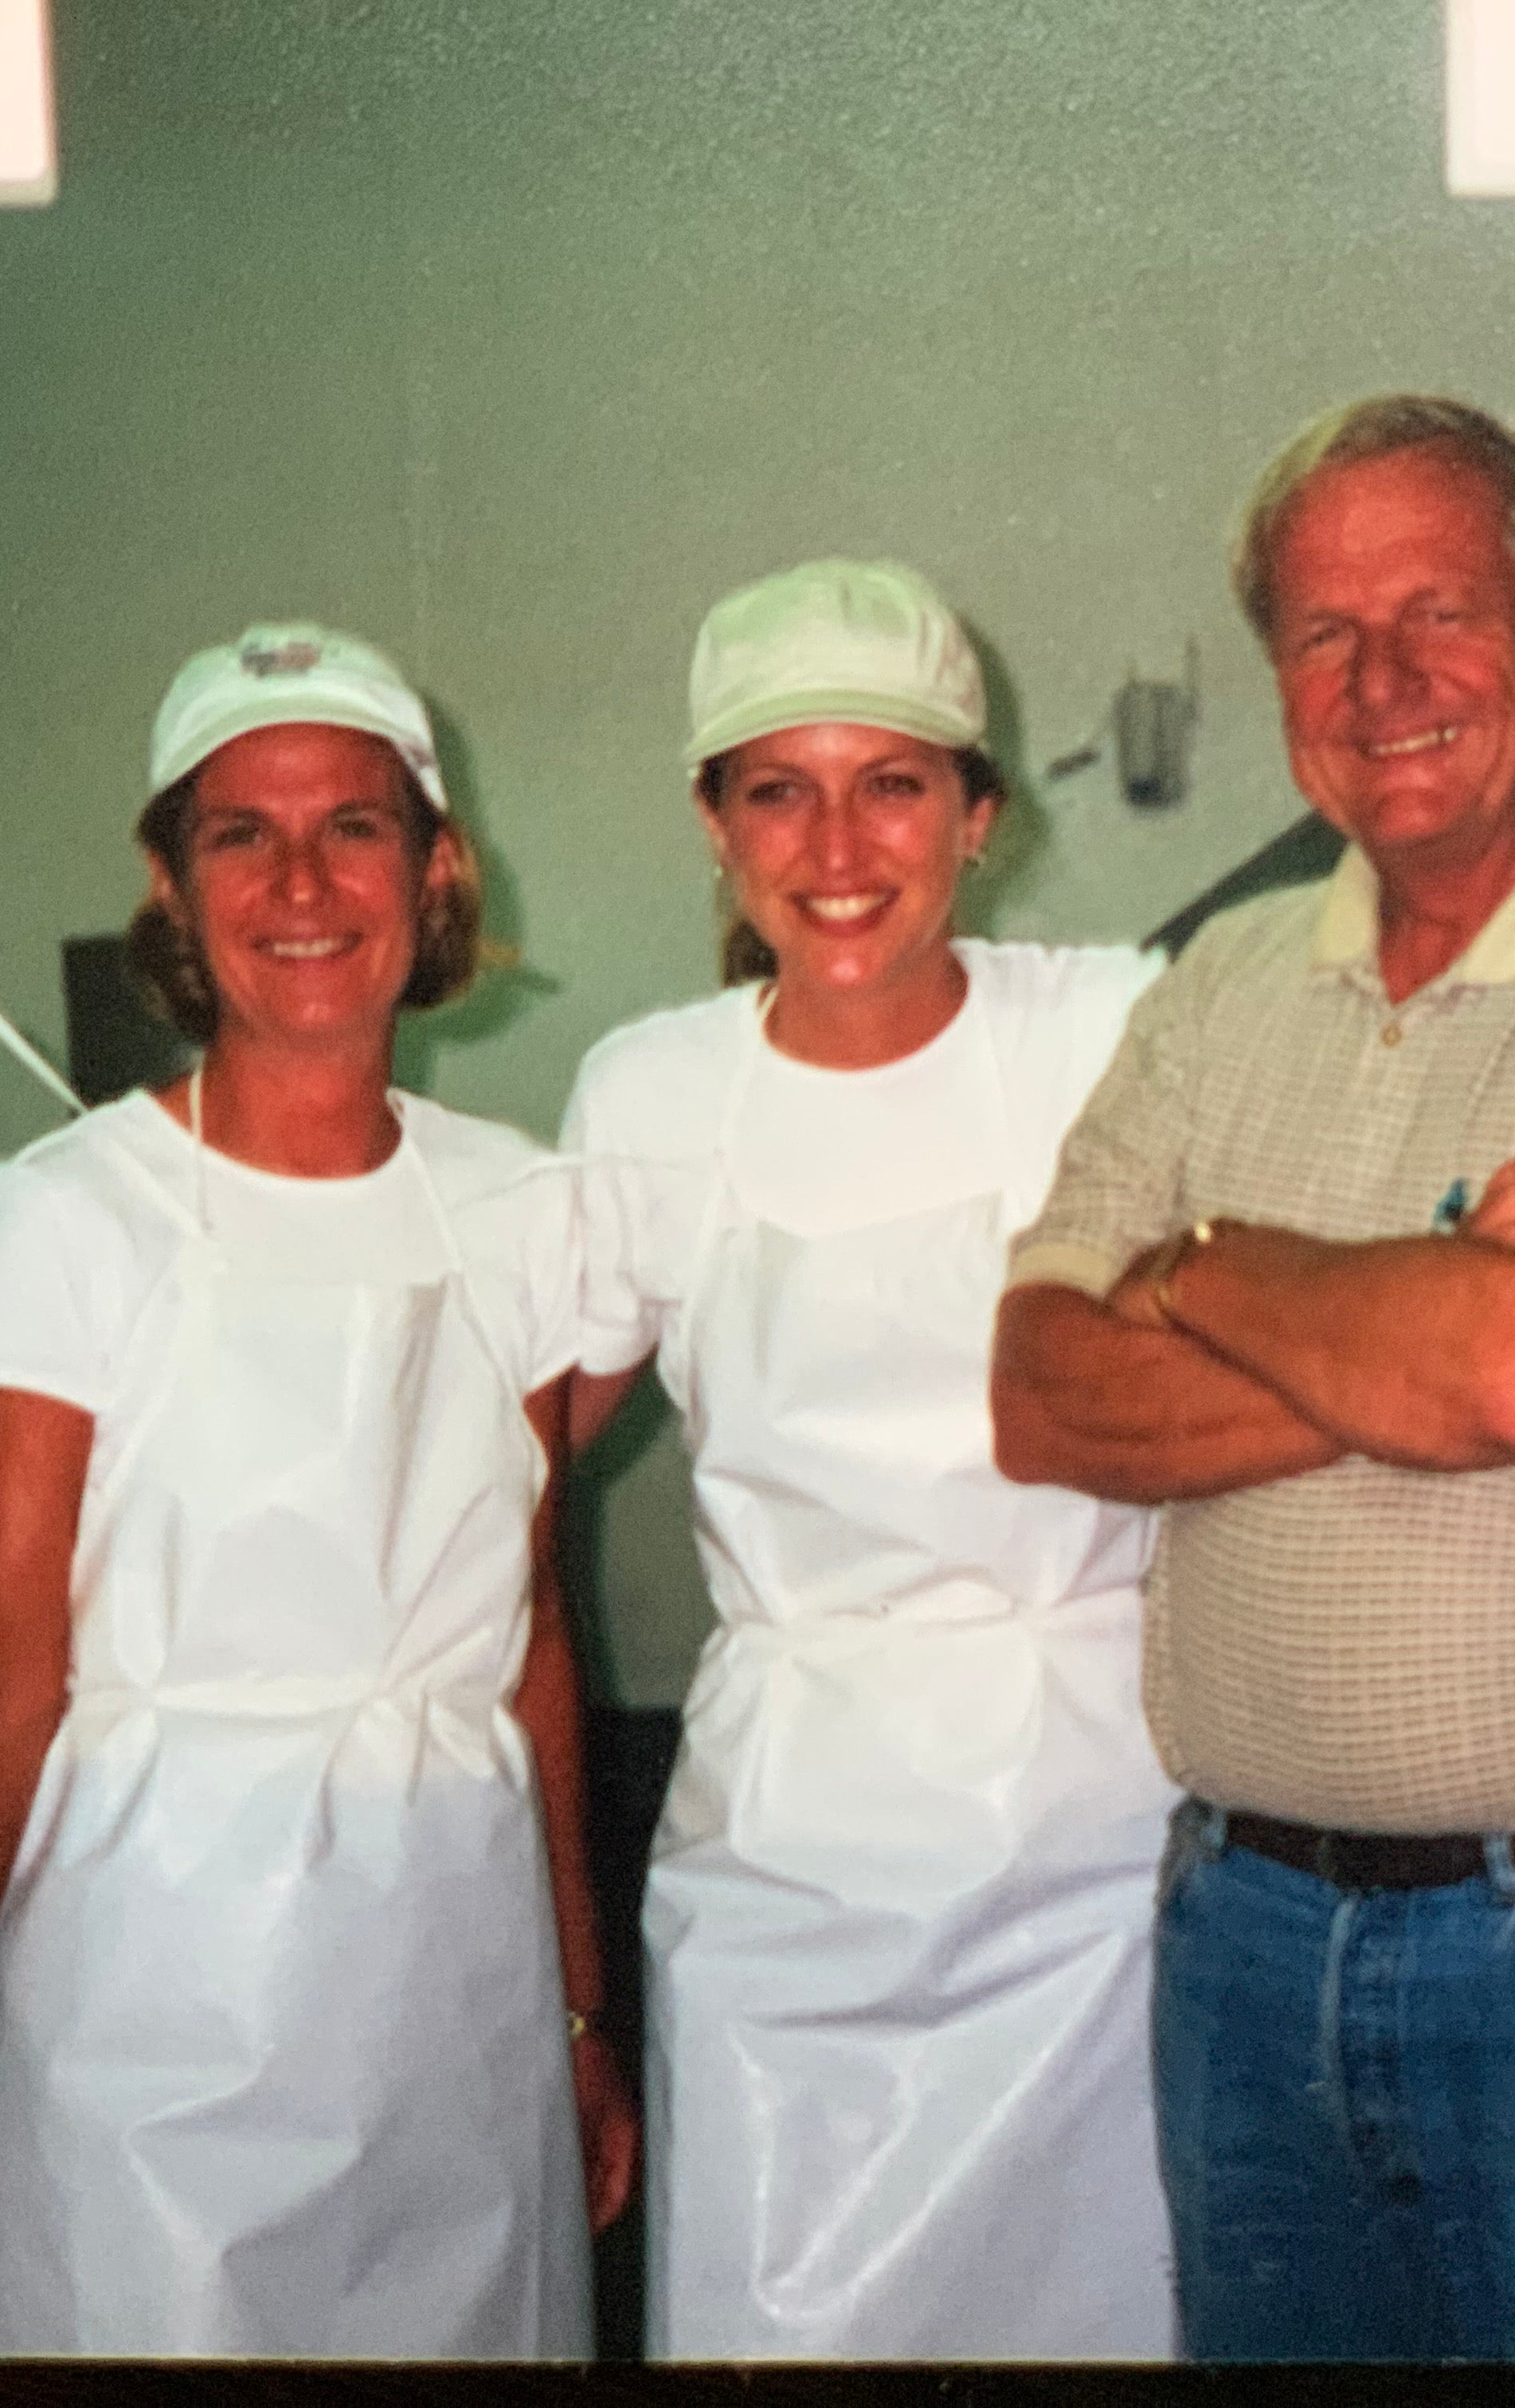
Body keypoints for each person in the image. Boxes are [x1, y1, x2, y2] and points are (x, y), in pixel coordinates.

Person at [988, 394, 1515, 2363]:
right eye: (1321, 634)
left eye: (1438, 614)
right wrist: (1430, 1318)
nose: (1381, 681)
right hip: (1244, 1955)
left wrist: (1201, 1273)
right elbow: (1041, 1397)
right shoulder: (1217, 984)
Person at [0, 624, 635, 2360]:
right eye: (237, 834)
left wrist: (579, 2019)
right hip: (150, 2001)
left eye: (352, 824)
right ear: (172, 891)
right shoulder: (63, 1220)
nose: (300, 881)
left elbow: (533, 1641)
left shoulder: (526, 1210)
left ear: (435, 869)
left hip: (457, 1993)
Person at [558, 559, 1179, 2359]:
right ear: (714, 822)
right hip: (789, 1870)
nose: (838, 841)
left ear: (981, 816)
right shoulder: (649, 1094)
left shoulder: (1109, 1025)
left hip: (1097, 1853)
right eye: (779, 787)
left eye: (893, 782)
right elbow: (496, 1478)